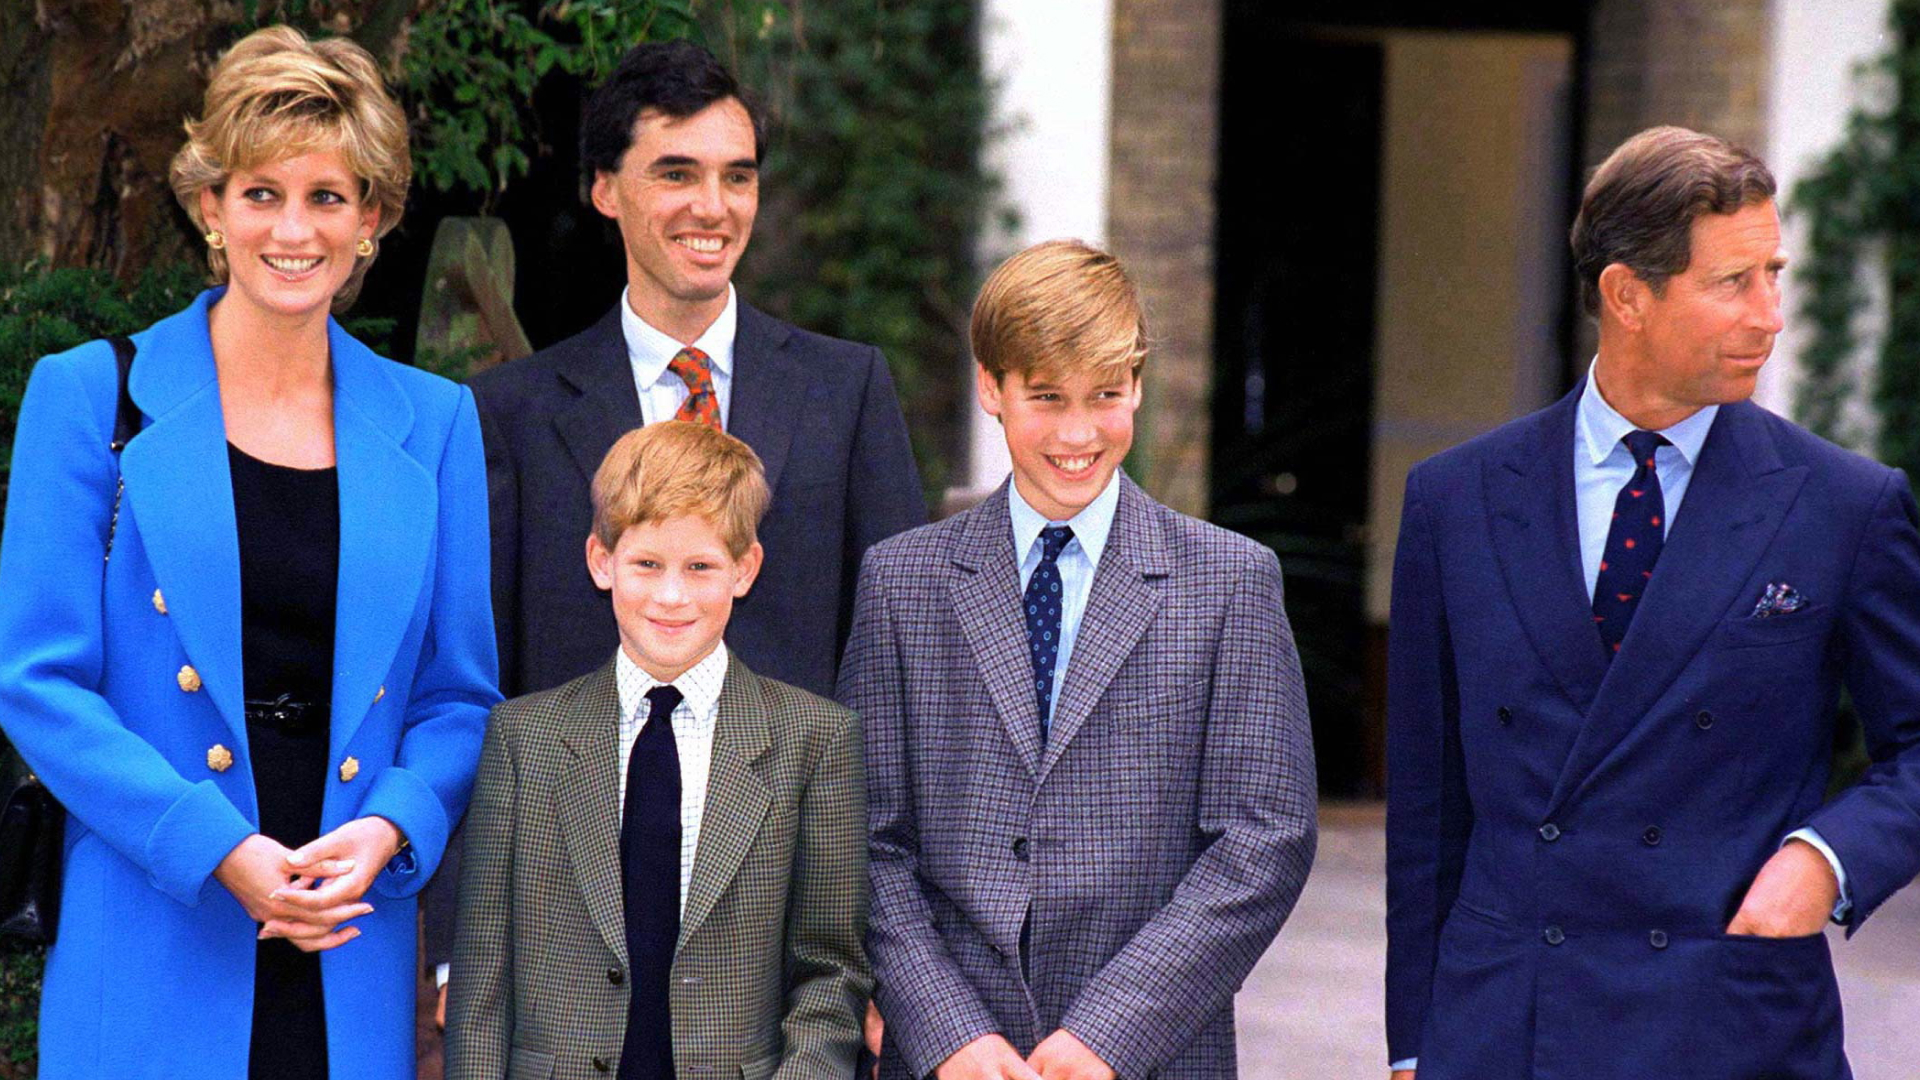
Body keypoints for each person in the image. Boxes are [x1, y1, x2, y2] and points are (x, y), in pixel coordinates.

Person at [0, 26, 499, 1079]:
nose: (294, 228)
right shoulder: (90, 396)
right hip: (152, 923)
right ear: (211, 207)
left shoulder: (436, 421)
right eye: (261, 192)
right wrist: (215, 848)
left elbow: (457, 698)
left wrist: (392, 831)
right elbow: (39, 685)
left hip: (345, 935)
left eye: (329, 197)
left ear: (373, 222)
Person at [1384, 126, 1920, 1080]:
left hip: (1730, 1020)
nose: (1772, 314)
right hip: (1506, 1028)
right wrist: (1414, 1044)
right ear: (1627, 294)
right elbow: (1430, 808)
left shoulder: (1845, 504)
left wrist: (1824, 862)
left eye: (1776, 272)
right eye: (1733, 283)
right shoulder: (1454, 499)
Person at [426, 38, 924, 1000]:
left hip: (795, 935)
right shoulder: (511, 414)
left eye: (738, 176)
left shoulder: (847, 392)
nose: (714, 206)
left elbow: (896, 677)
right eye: (677, 173)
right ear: (605, 189)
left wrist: (887, 948)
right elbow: (472, 687)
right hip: (572, 931)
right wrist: (459, 938)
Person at [840, 239, 1318, 1080]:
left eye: (1106, 395)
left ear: (1136, 383)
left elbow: (1263, 840)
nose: (1078, 431)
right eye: (1047, 397)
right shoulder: (902, 581)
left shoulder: (1231, 582)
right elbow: (866, 838)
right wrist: (951, 1032)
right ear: (991, 388)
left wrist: (1111, 1033)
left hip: (1155, 1052)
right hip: (953, 1058)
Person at [445, 420, 869, 1080]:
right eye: (647, 564)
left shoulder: (814, 742)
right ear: (601, 561)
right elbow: (481, 985)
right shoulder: (522, 741)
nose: (672, 596)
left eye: (700, 566)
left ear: (745, 570)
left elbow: (829, 971)